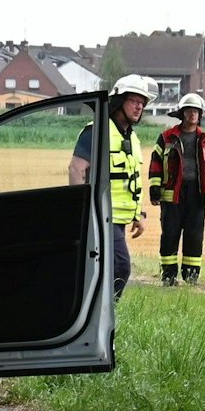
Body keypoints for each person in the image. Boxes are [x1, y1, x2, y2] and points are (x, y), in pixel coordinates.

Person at [69, 75, 152, 299]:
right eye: (134, 100)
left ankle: (100, 314)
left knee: (107, 268)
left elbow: (133, 179)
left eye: (142, 103)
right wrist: (83, 210)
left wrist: (140, 213)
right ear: (119, 101)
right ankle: (106, 312)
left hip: (119, 218)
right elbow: (77, 169)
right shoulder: (96, 131)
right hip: (101, 215)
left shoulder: (132, 138)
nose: (139, 106)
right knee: (120, 266)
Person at [148, 93, 205, 286]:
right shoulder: (167, 137)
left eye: (196, 111)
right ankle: (168, 276)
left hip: (197, 195)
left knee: (194, 236)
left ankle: (191, 276)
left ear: (200, 115)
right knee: (170, 234)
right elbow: (155, 163)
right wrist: (154, 189)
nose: (192, 114)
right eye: (189, 111)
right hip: (172, 194)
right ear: (182, 113)